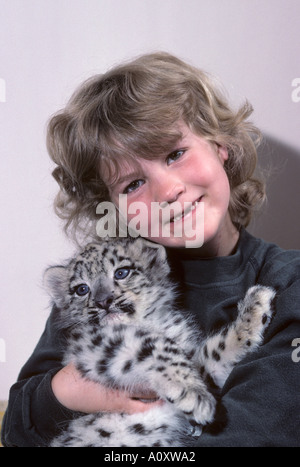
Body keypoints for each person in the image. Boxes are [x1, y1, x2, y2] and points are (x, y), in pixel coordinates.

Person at [2, 52, 299, 447]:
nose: (166, 191)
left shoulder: (288, 281)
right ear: (112, 205)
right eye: (132, 184)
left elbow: (255, 433)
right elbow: (18, 427)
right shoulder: (91, 288)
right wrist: (79, 389)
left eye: (176, 154)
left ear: (220, 145)